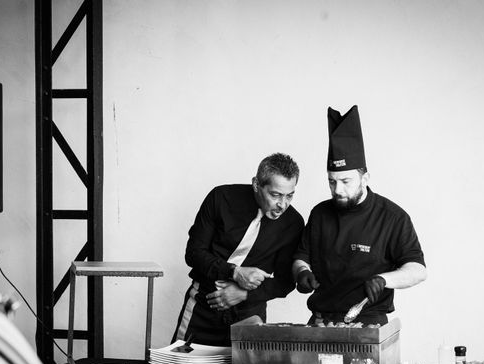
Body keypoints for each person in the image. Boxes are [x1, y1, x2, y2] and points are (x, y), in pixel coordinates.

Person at [293, 106, 426, 326]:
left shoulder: (392, 217)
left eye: (346, 181)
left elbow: (418, 270)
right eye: (332, 181)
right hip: (320, 324)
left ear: (365, 178)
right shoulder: (320, 214)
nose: (338, 190)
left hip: (366, 324)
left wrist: (384, 279)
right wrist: (302, 272)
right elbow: (301, 256)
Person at [173, 153, 304, 346]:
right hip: (203, 306)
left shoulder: (293, 223)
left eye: (289, 195)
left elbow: (285, 282)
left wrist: (245, 294)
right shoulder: (221, 198)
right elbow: (194, 253)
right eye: (275, 194)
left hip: (249, 314)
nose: (282, 204)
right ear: (256, 184)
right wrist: (234, 273)